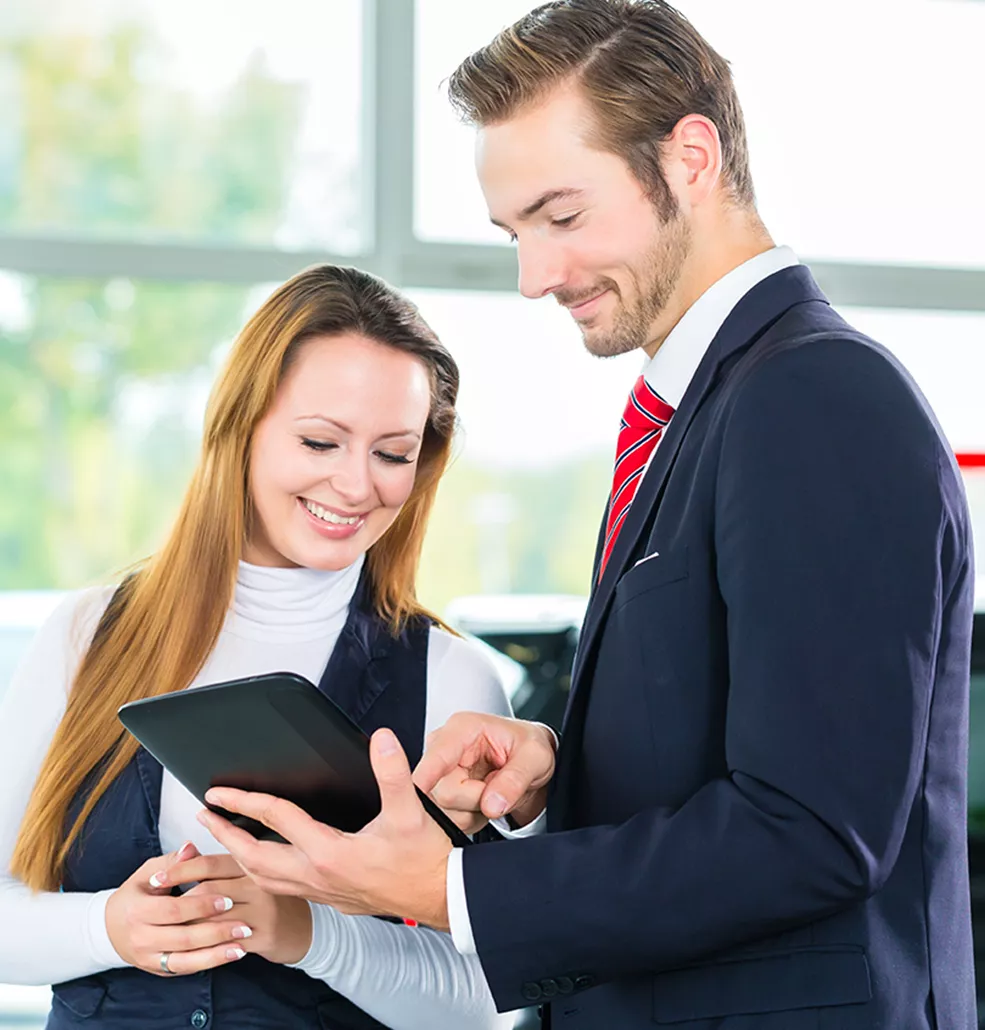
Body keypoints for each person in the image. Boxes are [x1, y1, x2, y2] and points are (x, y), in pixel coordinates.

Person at [197, 3, 976, 1028]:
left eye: (560, 217)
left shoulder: (813, 397)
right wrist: (555, 774)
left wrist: (447, 888)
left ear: (689, 157)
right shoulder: (712, 404)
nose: (534, 276)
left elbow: (813, 827)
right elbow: (745, 752)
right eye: (514, 231)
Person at [0, 264, 516, 1030]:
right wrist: (108, 927)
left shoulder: (452, 677)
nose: (354, 485)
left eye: (392, 453)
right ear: (239, 426)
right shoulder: (87, 635)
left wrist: (315, 938)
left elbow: (482, 999)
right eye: (319, 441)